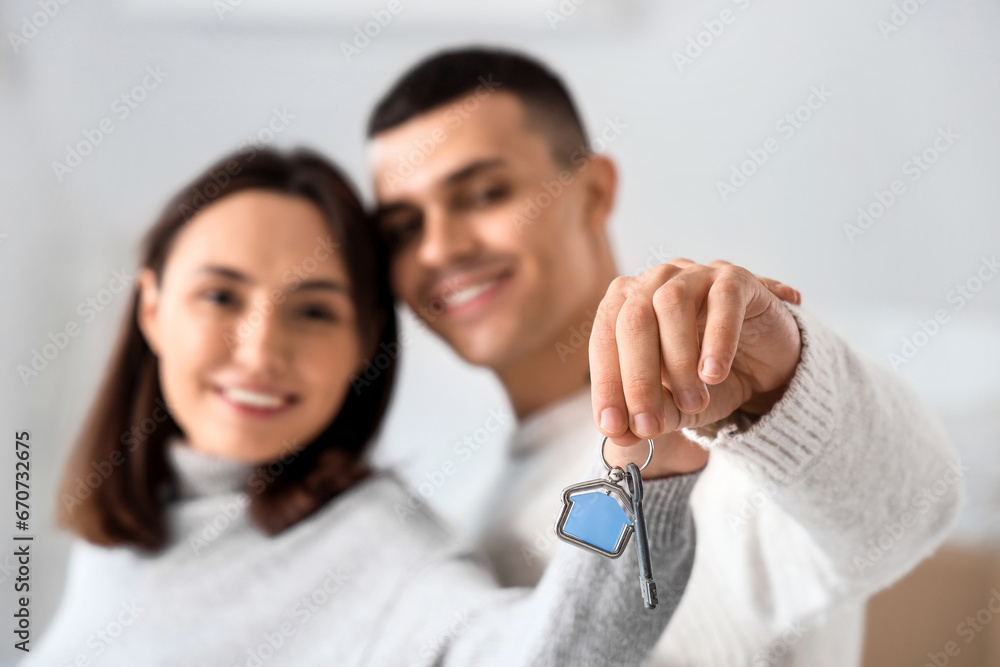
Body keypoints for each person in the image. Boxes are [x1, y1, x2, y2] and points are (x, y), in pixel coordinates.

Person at [365, 47, 964, 665]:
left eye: (484, 193)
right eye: (403, 229)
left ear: (594, 192)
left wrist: (782, 394)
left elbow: (910, 512)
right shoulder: (472, 531)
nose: (439, 249)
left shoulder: (724, 421)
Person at [26, 147, 700, 666]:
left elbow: (550, 655)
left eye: (313, 309)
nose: (260, 351)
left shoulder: (379, 547)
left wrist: (641, 469)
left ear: (362, 344)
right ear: (152, 307)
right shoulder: (121, 532)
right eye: (221, 296)